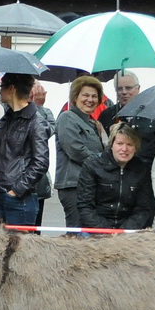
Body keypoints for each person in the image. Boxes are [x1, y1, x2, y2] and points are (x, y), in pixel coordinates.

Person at [0, 73, 48, 227]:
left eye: (1, 87)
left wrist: (17, 190)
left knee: (19, 249)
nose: (0, 91)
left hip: (19, 199)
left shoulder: (36, 121)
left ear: (11, 89)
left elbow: (41, 162)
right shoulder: (7, 118)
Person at [76, 123, 154, 230]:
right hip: (95, 229)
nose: (124, 149)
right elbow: (85, 206)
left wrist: (123, 231)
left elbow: (143, 209)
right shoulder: (92, 165)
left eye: (130, 145)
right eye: (119, 143)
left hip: (128, 232)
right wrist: (107, 232)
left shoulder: (142, 169)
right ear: (111, 144)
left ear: (136, 147)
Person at [54, 76, 108, 227]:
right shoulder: (67, 118)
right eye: (85, 95)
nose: (90, 99)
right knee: (77, 234)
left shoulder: (92, 123)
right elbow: (76, 150)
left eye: (94, 96)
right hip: (73, 186)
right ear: (75, 97)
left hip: (89, 185)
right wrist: (104, 164)